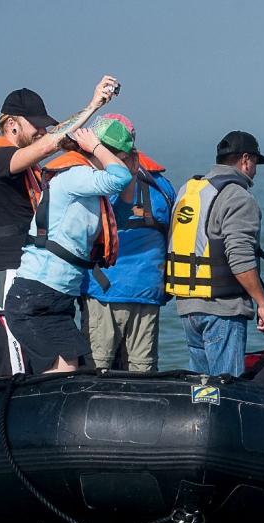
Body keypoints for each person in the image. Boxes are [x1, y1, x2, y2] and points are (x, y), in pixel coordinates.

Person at [0, 77, 119, 376]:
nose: (42, 130)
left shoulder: (24, 161)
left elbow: (54, 136)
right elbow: (49, 144)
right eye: (36, 124)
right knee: (14, 358)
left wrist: (92, 108)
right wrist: (92, 106)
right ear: (12, 124)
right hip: (8, 271)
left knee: (44, 358)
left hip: (34, 271)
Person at [3, 118, 135, 374]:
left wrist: (129, 174)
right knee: (63, 375)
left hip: (57, 297)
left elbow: (116, 220)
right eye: (118, 156)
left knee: (71, 371)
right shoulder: (76, 176)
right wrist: (99, 147)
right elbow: (119, 177)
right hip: (36, 295)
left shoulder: (90, 186)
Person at [165, 131, 264, 377]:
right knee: (225, 389)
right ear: (245, 159)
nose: (255, 170)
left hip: (187, 306)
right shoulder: (237, 196)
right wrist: (262, 302)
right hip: (222, 310)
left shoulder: (190, 189)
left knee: (201, 389)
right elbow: (240, 258)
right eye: (255, 162)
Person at [80, 114, 176, 372]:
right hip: (148, 291)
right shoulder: (162, 186)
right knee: (142, 371)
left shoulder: (99, 181)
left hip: (104, 291)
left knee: (97, 369)